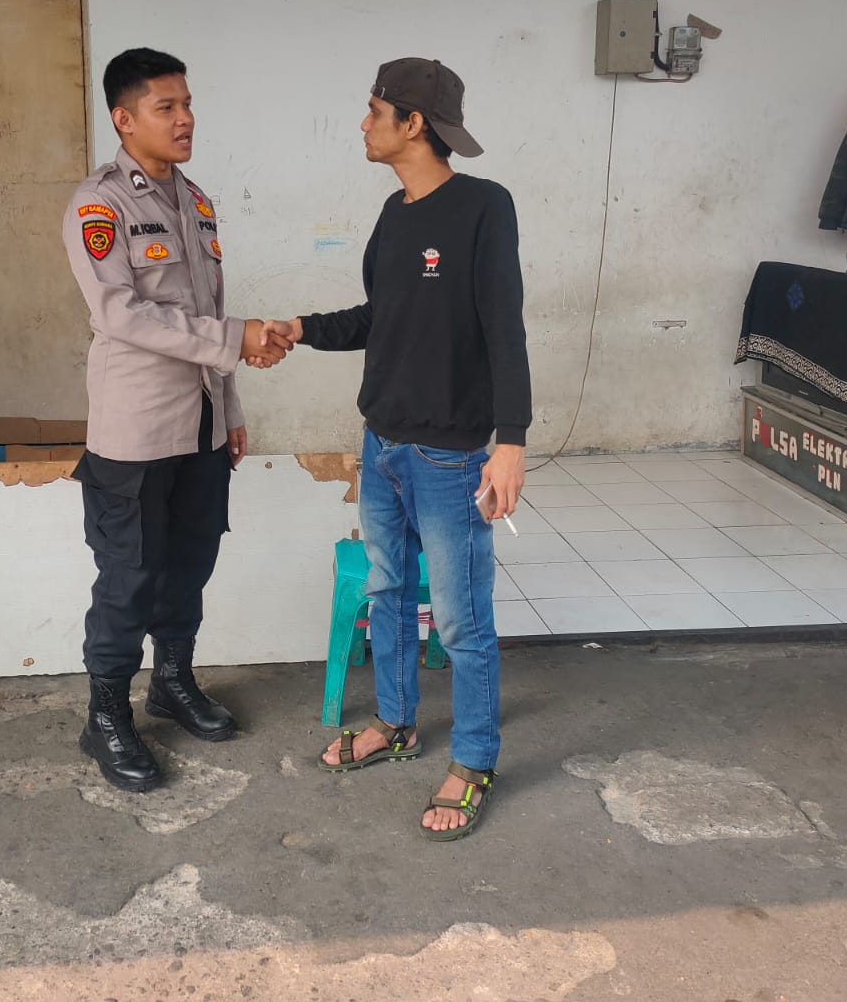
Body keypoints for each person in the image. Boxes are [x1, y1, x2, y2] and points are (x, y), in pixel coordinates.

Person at [261, 58, 530, 841]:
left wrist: (510, 442)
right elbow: (379, 317)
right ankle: (397, 722)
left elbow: (504, 329)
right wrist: (301, 328)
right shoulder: (393, 212)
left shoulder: (484, 207)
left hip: (450, 456)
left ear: (413, 123)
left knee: (461, 619)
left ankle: (474, 760)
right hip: (380, 444)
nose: (363, 123)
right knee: (387, 594)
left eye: (374, 110)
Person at [64, 47, 289, 792]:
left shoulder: (194, 201)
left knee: (191, 561)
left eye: (187, 103)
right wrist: (237, 339)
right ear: (124, 119)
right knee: (129, 576)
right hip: (134, 428)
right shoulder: (100, 206)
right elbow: (120, 313)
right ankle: (106, 715)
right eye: (166, 106)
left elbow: (207, 311)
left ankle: (172, 681)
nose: (185, 118)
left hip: (200, 423)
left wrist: (230, 407)